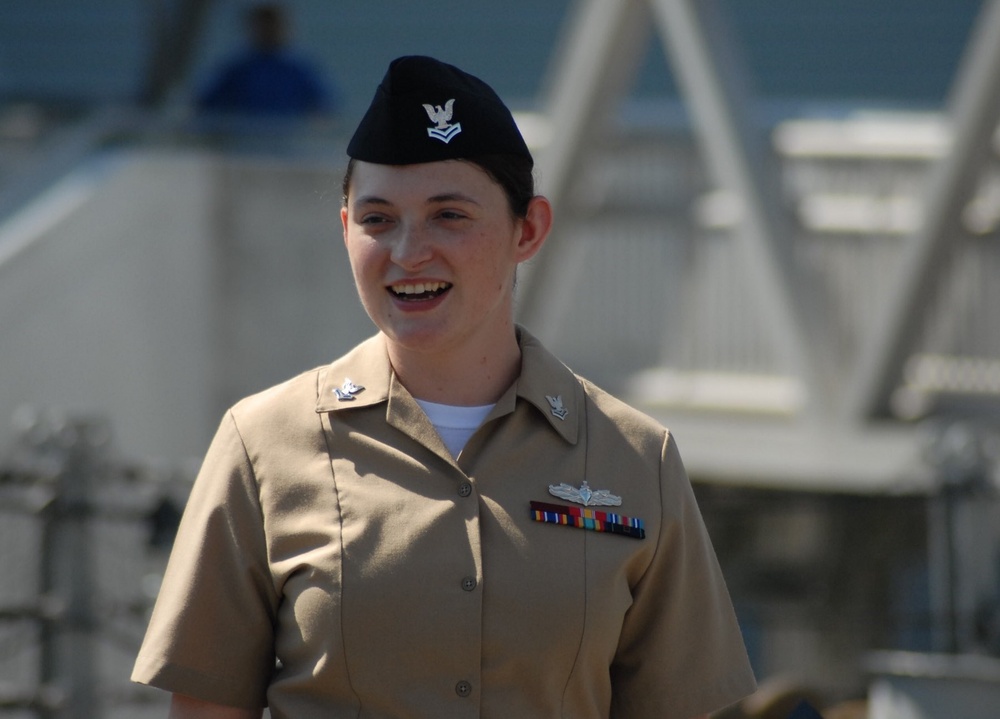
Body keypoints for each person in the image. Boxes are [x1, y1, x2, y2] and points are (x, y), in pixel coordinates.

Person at [132, 55, 757, 719]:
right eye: (377, 219)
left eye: (449, 215)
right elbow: (206, 705)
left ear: (529, 229)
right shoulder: (262, 447)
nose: (408, 251)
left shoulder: (634, 459)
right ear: (345, 230)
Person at [195, 3, 335, 118]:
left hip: (288, 144)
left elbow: (324, 108)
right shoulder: (238, 69)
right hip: (243, 143)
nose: (269, 31)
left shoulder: (298, 70)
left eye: (274, 26)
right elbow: (205, 105)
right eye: (263, 26)